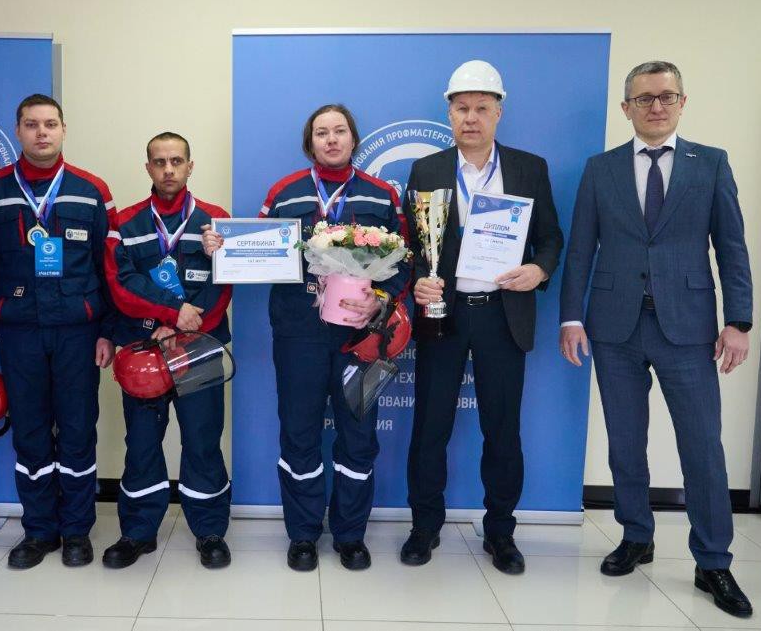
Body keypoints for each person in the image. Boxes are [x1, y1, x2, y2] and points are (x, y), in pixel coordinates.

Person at [559, 61, 753, 617]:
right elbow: (581, 249)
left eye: (666, 96)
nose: (656, 106)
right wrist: (571, 317)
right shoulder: (601, 169)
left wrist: (739, 321)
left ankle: (713, 560)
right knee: (625, 441)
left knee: (703, 446)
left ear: (682, 102)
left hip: (688, 328)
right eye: (644, 98)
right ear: (627, 108)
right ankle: (636, 535)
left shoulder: (710, 164)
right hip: (614, 326)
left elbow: (732, 246)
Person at [204, 104, 410, 572]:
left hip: (362, 338)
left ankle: (350, 536)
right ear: (309, 142)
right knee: (299, 433)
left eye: (340, 131)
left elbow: (405, 260)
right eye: (322, 132)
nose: (331, 139)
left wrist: (381, 300)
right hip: (298, 335)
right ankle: (302, 534)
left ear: (353, 139)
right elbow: (251, 246)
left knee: (359, 435)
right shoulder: (285, 191)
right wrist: (221, 246)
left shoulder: (381, 194)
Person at [401, 60, 563, 574]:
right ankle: (424, 526)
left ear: (499, 113)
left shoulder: (529, 168)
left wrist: (539, 269)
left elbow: (551, 239)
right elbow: (411, 247)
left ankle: (501, 532)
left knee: (503, 428)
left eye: (481, 108)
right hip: (442, 314)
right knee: (430, 426)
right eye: (461, 109)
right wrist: (417, 280)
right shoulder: (427, 170)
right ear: (449, 113)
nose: (471, 118)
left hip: (502, 314)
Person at [0, 93, 116, 569]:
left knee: (77, 430)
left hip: (78, 331)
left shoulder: (92, 190)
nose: (42, 132)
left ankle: (76, 530)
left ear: (64, 129)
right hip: (19, 332)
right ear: (18, 130)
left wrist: (107, 331)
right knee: (30, 432)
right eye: (32, 124)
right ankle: (39, 531)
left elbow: (108, 270)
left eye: (50, 123)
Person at [103, 132, 233, 569]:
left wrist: (185, 324)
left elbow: (223, 284)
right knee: (142, 442)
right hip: (144, 349)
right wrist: (169, 314)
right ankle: (138, 532)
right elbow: (120, 284)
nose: (168, 169)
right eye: (159, 162)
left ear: (190, 166)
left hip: (200, 347)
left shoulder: (216, 220)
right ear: (148, 168)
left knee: (202, 440)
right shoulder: (125, 223)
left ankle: (210, 530)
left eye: (176, 161)